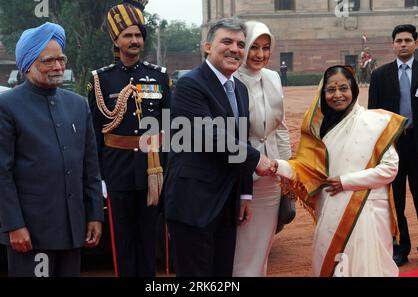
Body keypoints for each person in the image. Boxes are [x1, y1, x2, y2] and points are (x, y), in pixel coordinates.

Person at [0, 22, 104, 277]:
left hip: (73, 230)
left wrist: (95, 215)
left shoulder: (78, 105)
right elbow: (0, 174)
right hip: (30, 233)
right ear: (28, 64)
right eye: (49, 61)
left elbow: (90, 168)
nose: (58, 67)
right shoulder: (6, 106)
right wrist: (13, 226)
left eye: (61, 59)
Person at [269, 65, 405, 276]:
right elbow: (306, 169)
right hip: (331, 207)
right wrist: (276, 166)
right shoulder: (318, 128)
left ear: (354, 90)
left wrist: (346, 181)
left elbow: (390, 169)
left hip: (367, 208)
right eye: (331, 90)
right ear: (323, 93)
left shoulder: (375, 122)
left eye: (344, 88)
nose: (338, 95)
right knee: (332, 264)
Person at [163, 17, 272, 277]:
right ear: (208, 46)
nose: (235, 49)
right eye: (227, 42)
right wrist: (258, 160)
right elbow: (210, 135)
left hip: (227, 202)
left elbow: (240, 139)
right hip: (193, 203)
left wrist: (245, 193)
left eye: (240, 44)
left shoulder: (240, 90)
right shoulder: (190, 84)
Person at [88, 0, 170, 277]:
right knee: (122, 240)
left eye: (138, 35)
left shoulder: (159, 77)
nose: (134, 40)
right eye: (127, 35)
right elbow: (95, 133)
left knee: (149, 239)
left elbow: (168, 130)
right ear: (116, 39)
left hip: (152, 168)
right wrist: (99, 177)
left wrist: (168, 171)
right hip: (116, 169)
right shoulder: (100, 80)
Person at [232, 21, 291, 277]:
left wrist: (287, 172)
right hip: (243, 175)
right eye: (254, 47)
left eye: (266, 48)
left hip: (273, 176)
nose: (260, 54)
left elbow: (281, 128)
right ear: (243, 48)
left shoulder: (273, 77)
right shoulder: (232, 79)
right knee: (241, 246)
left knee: (263, 247)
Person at [368, 24, 418, 267]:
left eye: (408, 40)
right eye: (399, 40)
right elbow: (372, 114)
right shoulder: (380, 75)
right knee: (394, 200)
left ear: (416, 43)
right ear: (393, 44)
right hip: (393, 147)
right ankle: (400, 247)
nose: (403, 44)